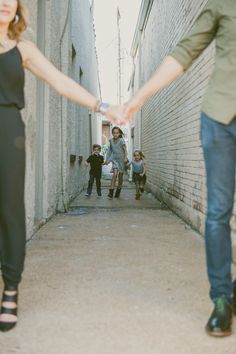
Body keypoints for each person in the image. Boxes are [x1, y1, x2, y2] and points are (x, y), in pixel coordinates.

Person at [0, 0, 122, 332]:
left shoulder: (22, 48)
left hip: (7, 128)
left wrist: (102, 105)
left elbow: (60, 82)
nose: (5, 3)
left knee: (9, 210)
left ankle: (10, 288)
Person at [122, 0, 236, 337]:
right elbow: (184, 53)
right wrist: (139, 96)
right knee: (218, 211)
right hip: (220, 117)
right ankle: (221, 300)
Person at [105, 126, 128, 199]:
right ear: (112, 133)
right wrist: (107, 159)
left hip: (121, 160)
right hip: (114, 160)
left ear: (119, 133)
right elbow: (110, 151)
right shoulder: (111, 141)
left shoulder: (122, 140)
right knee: (114, 174)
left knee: (120, 176)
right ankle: (111, 192)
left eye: (117, 133)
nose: (115, 134)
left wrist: (125, 158)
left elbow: (125, 150)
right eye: (114, 133)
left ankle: (118, 189)